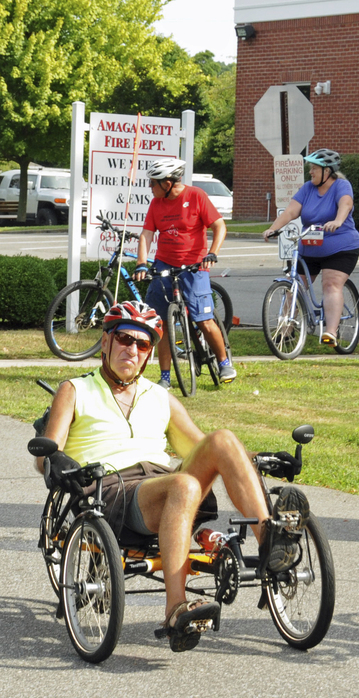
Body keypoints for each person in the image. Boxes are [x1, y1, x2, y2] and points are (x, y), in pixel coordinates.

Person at [36, 301, 306, 652]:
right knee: (184, 482)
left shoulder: (158, 396)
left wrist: (262, 459)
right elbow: (47, 453)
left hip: (169, 483)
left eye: (142, 344)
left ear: (148, 354)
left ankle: (271, 542)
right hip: (115, 492)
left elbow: (203, 447)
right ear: (105, 343)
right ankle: (175, 610)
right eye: (124, 339)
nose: (132, 349)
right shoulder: (75, 390)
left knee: (222, 440)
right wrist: (54, 461)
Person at [133, 158, 232, 386]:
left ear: (168, 183)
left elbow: (219, 226)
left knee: (204, 320)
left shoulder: (196, 196)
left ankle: (224, 363)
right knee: (162, 323)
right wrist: (141, 263)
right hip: (164, 265)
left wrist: (212, 252)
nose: (150, 187)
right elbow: (146, 234)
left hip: (194, 266)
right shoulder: (156, 203)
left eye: (153, 183)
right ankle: (165, 377)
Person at [262, 148, 359, 349]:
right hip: (310, 247)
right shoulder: (307, 188)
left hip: (340, 246)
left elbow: (346, 204)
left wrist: (337, 220)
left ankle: (331, 332)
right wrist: (273, 228)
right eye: (311, 168)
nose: (311, 172)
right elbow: (291, 211)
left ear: (328, 171)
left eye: (315, 168)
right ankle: (285, 330)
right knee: (295, 286)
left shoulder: (341, 185)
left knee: (331, 284)